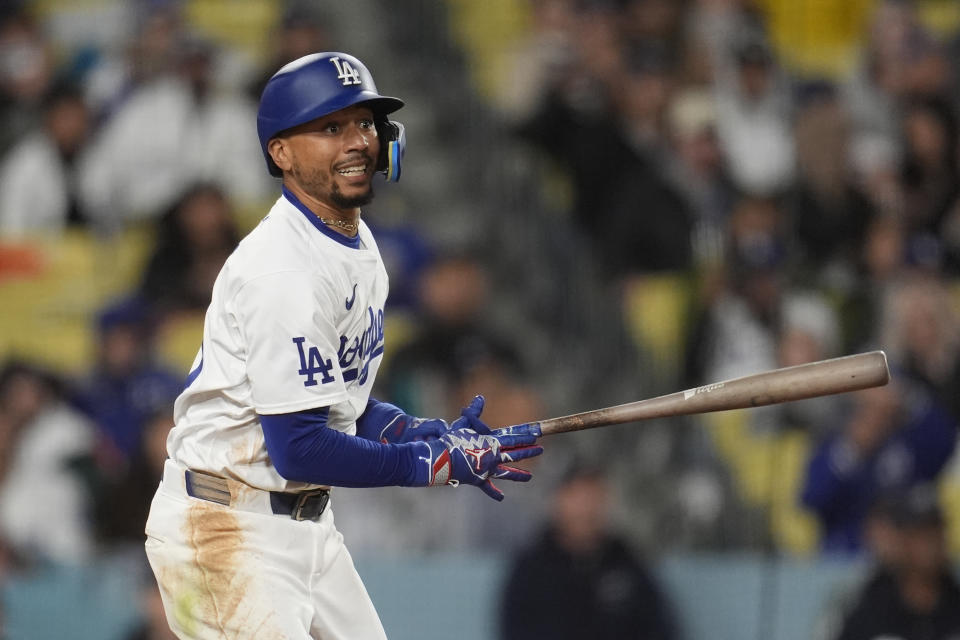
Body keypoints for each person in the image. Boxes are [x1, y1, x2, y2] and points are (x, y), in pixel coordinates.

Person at [143, 52, 544, 639]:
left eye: (363, 124)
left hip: (301, 523)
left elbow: (336, 404)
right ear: (281, 153)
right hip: (224, 529)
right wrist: (427, 464)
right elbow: (301, 447)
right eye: (331, 127)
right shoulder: (283, 271)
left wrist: (414, 430)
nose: (357, 141)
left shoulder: (352, 244)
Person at [500, 462, 679, 640]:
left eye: (594, 499)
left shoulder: (627, 564)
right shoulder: (531, 568)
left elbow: (658, 627)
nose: (586, 510)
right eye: (579, 499)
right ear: (559, 501)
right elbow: (515, 629)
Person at [831, 485, 960, 640]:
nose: (930, 545)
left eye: (936, 533)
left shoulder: (955, 603)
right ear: (900, 541)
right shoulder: (869, 609)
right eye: (919, 535)